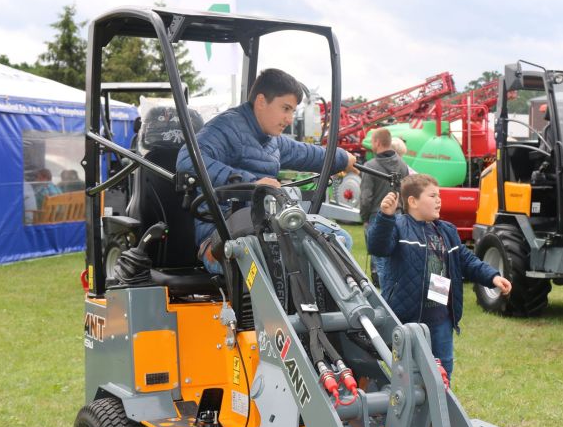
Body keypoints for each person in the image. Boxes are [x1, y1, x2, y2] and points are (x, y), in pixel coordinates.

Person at [176, 68, 357, 274]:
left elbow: (307, 153)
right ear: (261, 101)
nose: (289, 119)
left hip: (260, 227)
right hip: (220, 235)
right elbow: (187, 160)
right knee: (277, 255)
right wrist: (253, 185)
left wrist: (343, 158)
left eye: (293, 112)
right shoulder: (226, 128)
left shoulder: (271, 141)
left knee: (338, 241)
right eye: (285, 108)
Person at [367, 174, 512, 379]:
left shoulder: (446, 230)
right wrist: (385, 217)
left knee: (443, 371)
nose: (439, 200)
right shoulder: (398, 226)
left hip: (440, 317)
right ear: (413, 201)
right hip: (407, 318)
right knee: (408, 374)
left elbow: (466, 259)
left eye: (439, 195)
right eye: (432, 195)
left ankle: (443, 407)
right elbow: (378, 247)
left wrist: (492, 277)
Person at [360, 128, 410, 286]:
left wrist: (364, 217)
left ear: (377, 142)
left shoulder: (370, 166)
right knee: (396, 259)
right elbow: (407, 193)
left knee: (380, 262)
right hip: (400, 215)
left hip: (378, 216)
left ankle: (385, 299)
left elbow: (366, 197)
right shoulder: (403, 165)